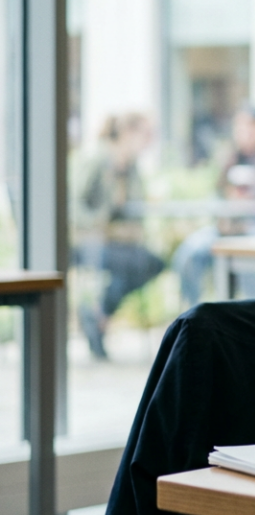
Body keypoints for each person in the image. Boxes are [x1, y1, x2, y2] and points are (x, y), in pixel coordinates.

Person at [172, 106, 255, 306]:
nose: (246, 134)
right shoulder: (229, 161)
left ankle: (250, 319)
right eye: (240, 128)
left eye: (252, 127)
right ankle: (193, 313)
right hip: (229, 231)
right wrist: (227, 210)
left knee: (246, 255)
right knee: (189, 252)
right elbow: (215, 199)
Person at [73, 113, 165, 360]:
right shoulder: (97, 160)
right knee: (134, 263)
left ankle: (97, 313)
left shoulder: (131, 167)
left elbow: (134, 208)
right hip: (88, 241)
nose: (149, 141)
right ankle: (97, 315)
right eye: (145, 134)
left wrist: (130, 229)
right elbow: (72, 204)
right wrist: (99, 224)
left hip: (117, 242)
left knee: (153, 263)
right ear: (127, 133)